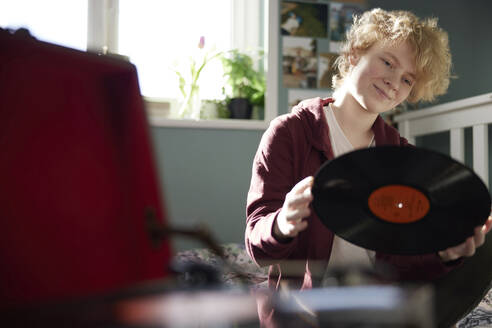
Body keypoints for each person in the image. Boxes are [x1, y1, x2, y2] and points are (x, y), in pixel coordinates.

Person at [245, 7, 492, 324]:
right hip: (307, 313)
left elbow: (403, 265)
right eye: (387, 62)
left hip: (382, 308)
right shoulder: (289, 133)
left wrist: (444, 255)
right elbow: (258, 246)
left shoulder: (404, 157)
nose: (393, 82)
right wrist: (282, 224)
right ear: (352, 54)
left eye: (407, 79)